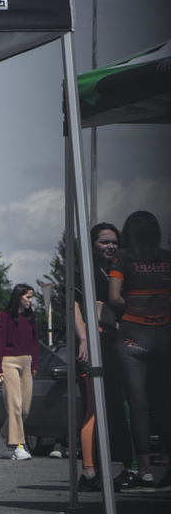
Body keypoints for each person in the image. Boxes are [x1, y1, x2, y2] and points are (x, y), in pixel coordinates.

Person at [110, 210, 171, 491]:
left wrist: (133, 303)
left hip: (133, 335)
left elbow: (114, 297)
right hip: (164, 335)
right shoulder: (167, 258)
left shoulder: (122, 257)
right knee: (161, 405)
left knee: (137, 406)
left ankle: (144, 472)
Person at [73, 222, 128, 488]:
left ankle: (112, 467)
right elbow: (74, 306)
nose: (110, 246)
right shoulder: (82, 271)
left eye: (114, 241)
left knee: (113, 407)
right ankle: (89, 472)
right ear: (92, 245)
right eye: (104, 242)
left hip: (114, 342)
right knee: (93, 408)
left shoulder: (117, 270)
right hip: (94, 342)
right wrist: (84, 339)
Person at [0, 283, 39, 461]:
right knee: (15, 406)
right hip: (9, 362)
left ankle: (0, 436)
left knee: (24, 409)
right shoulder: (5, 317)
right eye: (28, 297)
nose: (30, 300)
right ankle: (18, 446)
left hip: (27, 362)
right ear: (19, 297)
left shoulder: (30, 316)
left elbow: (35, 341)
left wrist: (35, 364)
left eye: (32, 297)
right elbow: (0, 342)